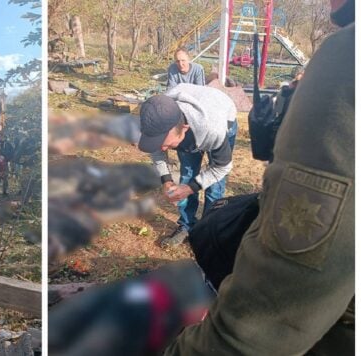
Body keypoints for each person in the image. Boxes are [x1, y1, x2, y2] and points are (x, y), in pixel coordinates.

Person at [165, 1, 354, 353]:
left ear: (184, 128)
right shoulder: (162, 111)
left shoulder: (348, 58)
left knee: (214, 202)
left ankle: (207, 219)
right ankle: (188, 224)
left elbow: (273, 310)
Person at [138, 84, 238, 247]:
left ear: (183, 129)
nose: (163, 149)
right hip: (194, 117)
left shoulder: (213, 129)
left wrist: (192, 188)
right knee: (187, 175)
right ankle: (186, 225)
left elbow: (222, 167)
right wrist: (166, 179)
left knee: (215, 185)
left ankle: (209, 228)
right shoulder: (154, 117)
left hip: (222, 114)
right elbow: (156, 149)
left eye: (167, 144)